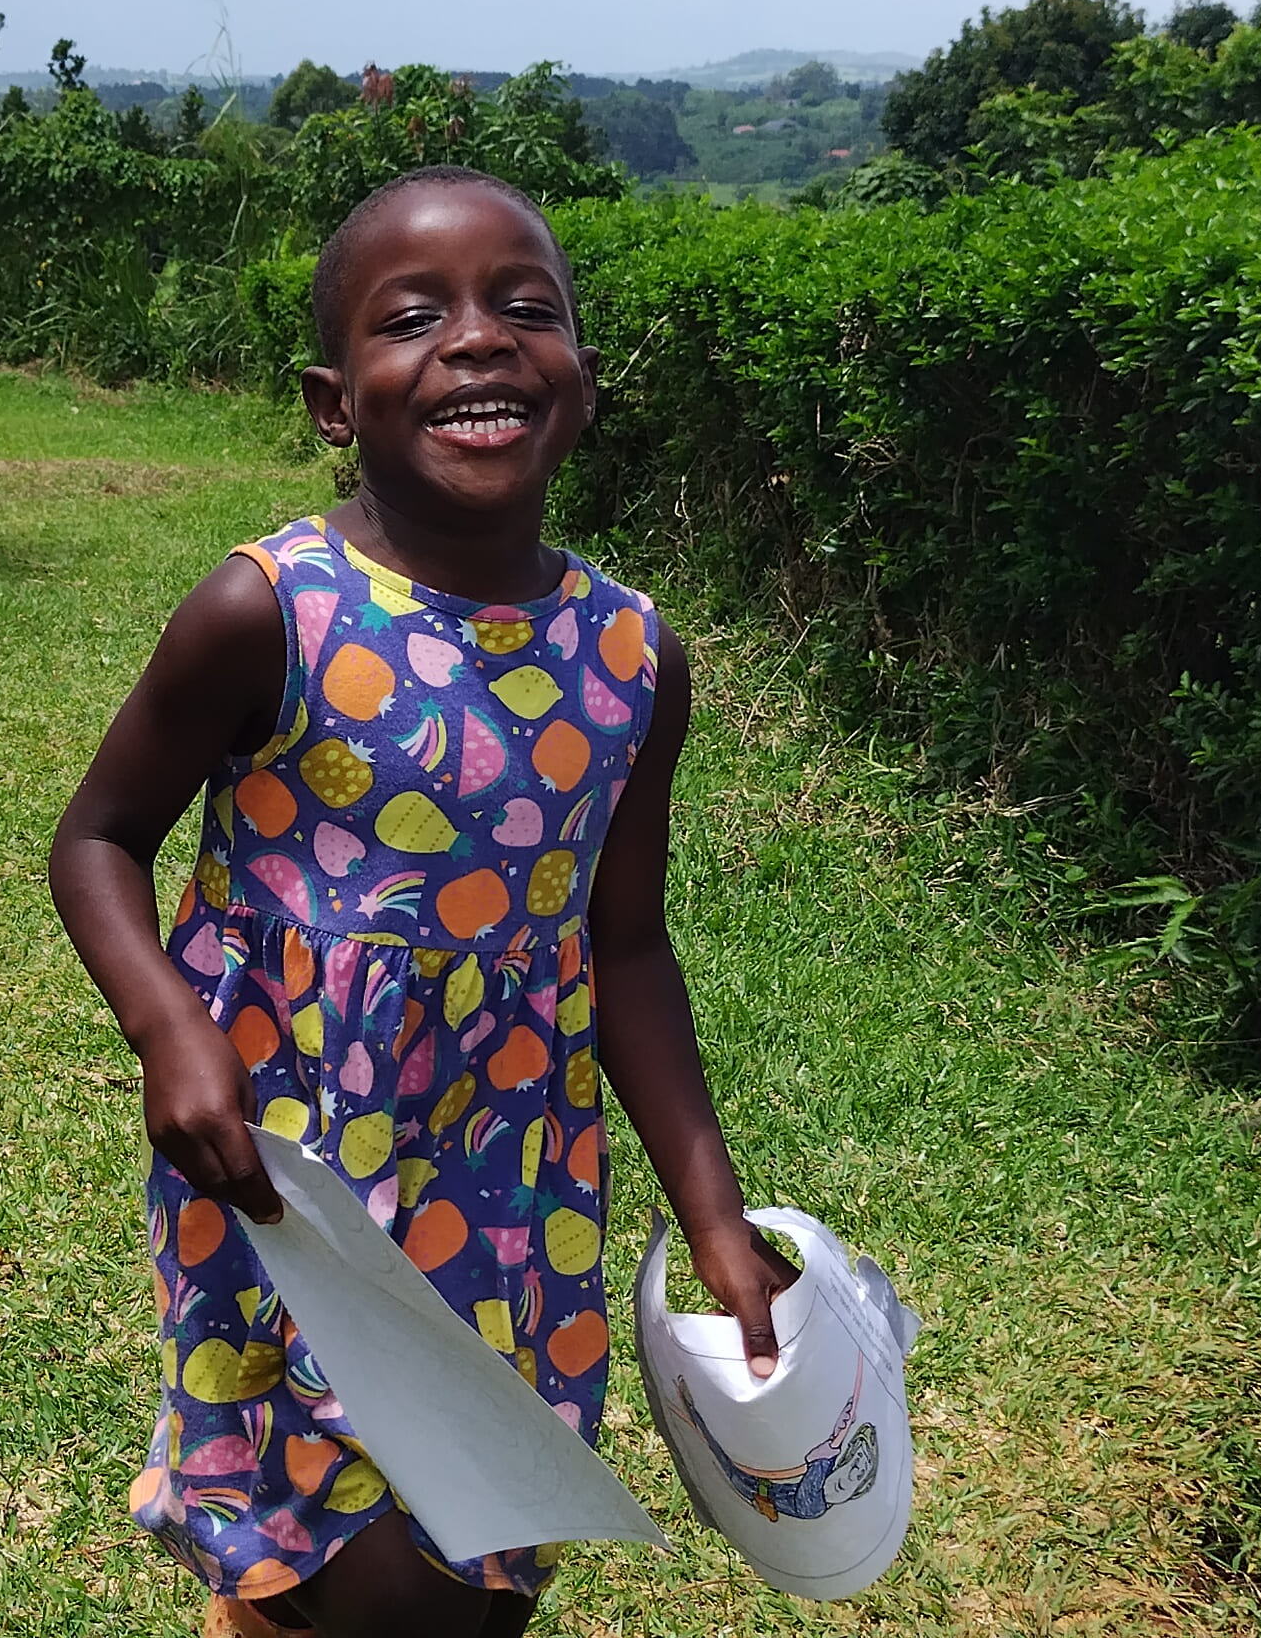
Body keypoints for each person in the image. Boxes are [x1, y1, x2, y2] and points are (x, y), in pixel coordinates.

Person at [50, 165, 801, 1638]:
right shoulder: (270, 610)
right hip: (292, 1163)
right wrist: (168, 1034)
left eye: (528, 308)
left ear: (580, 381)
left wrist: (710, 1212)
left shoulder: (634, 655)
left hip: (514, 1175)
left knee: (484, 1552)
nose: (478, 341)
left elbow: (627, 943)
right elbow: (98, 838)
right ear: (338, 402)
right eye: (416, 318)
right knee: (350, 1560)